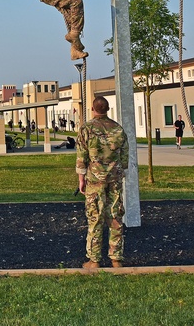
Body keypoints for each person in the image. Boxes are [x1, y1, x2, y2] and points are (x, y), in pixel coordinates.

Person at [76, 95, 129, 269]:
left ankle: (94, 259)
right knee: (115, 217)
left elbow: (82, 157)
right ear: (107, 109)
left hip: (94, 180)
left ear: (93, 109)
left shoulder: (87, 129)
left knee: (95, 218)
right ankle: (116, 259)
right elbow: (125, 158)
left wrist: (81, 178)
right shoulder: (118, 129)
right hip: (114, 179)